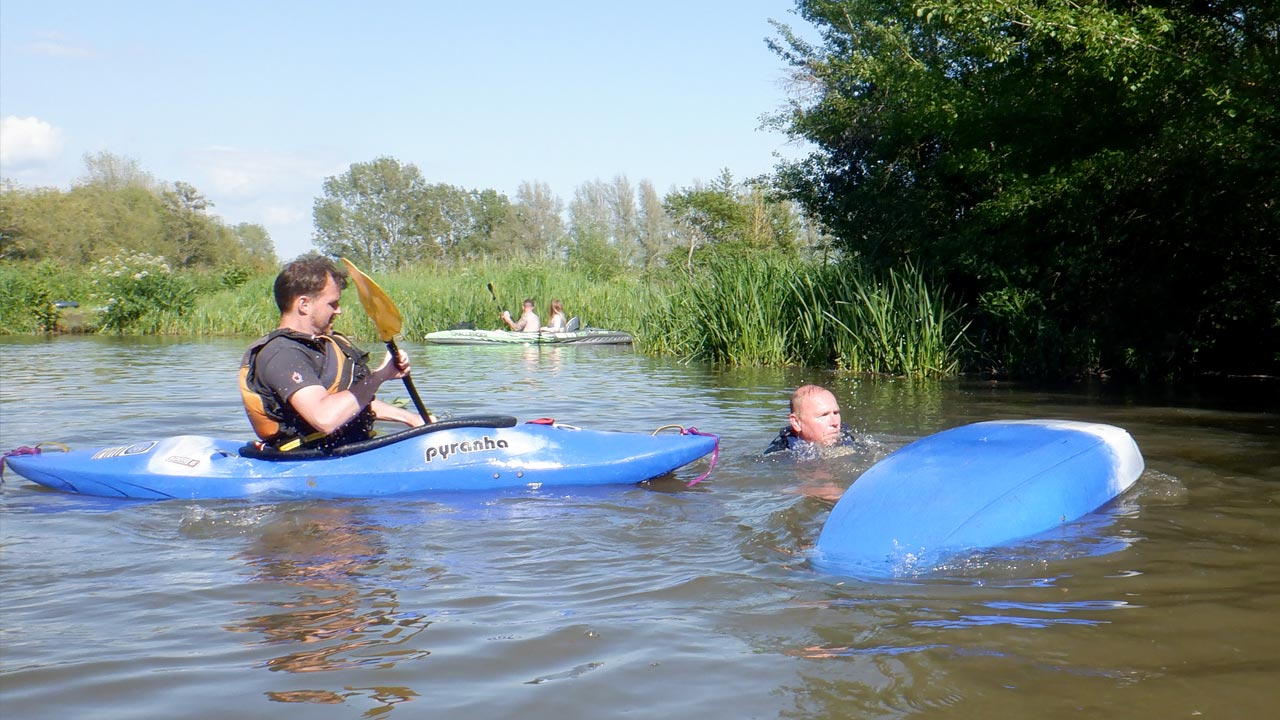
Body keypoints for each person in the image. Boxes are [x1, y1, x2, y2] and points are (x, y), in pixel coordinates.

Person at [239, 257, 425, 451]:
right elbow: (325, 417)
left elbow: (349, 402)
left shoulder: (326, 345)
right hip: (308, 461)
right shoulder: (282, 355)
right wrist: (379, 376)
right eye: (332, 303)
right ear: (304, 304)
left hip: (352, 450)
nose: (339, 311)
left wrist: (410, 418)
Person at [763, 384, 859, 455]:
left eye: (836, 413)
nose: (835, 423)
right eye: (823, 415)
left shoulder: (848, 439)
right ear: (796, 422)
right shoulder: (779, 455)